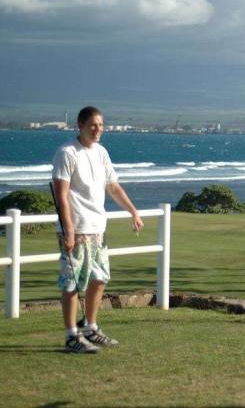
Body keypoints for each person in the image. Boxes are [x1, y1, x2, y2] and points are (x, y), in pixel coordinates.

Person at [52, 106, 144, 353]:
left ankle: (91, 328)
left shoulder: (101, 152)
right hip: (76, 228)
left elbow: (112, 187)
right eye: (93, 125)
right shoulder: (67, 152)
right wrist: (69, 229)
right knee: (71, 283)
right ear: (80, 125)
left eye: (101, 125)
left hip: (97, 228)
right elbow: (61, 194)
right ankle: (71, 335)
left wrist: (133, 211)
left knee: (100, 277)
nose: (98, 129)